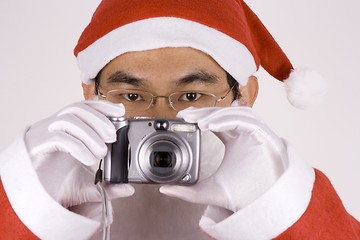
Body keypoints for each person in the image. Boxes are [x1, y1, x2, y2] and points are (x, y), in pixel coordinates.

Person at [0, 0, 359, 239]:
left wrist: (280, 209)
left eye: (191, 96)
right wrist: (23, 201)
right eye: (132, 96)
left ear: (245, 95)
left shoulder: (277, 187)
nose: (162, 121)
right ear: (90, 95)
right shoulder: (59, 184)